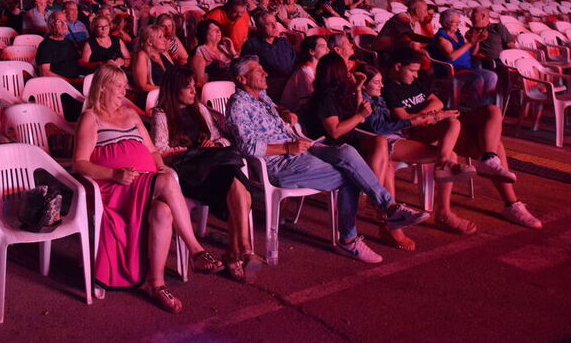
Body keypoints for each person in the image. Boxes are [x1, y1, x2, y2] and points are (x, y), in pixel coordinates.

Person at [223, 56, 428, 264]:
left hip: (300, 148)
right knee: (350, 175)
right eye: (258, 71)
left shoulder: (261, 96)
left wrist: (284, 113)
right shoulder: (238, 105)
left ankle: (389, 209)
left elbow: (273, 111)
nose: (265, 73)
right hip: (280, 163)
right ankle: (351, 239)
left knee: (346, 152)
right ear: (242, 79)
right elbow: (246, 147)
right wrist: (287, 147)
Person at [73, 65, 222, 312]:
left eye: (125, 85)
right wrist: (114, 173)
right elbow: (79, 163)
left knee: (162, 211)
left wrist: (161, 166)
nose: (125, 90)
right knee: (166, 182)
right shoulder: (91, 117)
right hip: (116, 188)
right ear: (103, 87)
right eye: (119, 85)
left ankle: (156, 283)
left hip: (145, 181)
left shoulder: (130, 114)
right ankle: (196, 249)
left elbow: (152, 151)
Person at [381, 47, 541, 229]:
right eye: (412, 71)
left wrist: (430, 114)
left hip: (439, 122)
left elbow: (438, 102)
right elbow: (405, 119)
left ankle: (492, 164)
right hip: (422, 131)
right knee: (461, 127)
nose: (416, 76)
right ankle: (508, 201)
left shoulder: (413, 83)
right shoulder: (390, 88)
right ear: (397, 67)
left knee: (492, 112)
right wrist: (433, 116)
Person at [354, 63, 476, 246]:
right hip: (382, 141)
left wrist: (427, 118)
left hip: (398, 137)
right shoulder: (363, 100)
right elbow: (378, 127)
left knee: (450, 154)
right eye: (377, 82)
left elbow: (434, 103)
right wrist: (419, 120)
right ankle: (391, 225)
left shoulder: (378, 98)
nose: (382, 85)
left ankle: (444, 213)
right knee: (387, 166)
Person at [151, 66, 254, 281]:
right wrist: (191, 150)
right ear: (174, 90)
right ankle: (239, 251)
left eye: (193, 86)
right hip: (188, 173)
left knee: (233, 180)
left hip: (212, 167)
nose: (193, 91)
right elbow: (160, 150)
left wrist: (214, 144)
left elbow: (222, 138)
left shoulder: (200, 109)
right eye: (187, 88)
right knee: (235, 181)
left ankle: (239, 251)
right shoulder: (161, 114)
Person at [429, 8, 498, 107]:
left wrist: (477, 41)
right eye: (455, 22)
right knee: (478, 78)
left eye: (458, 22)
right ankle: (478, 107)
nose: (458, 24)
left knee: (492, 76)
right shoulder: (442, 38)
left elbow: (472, 53)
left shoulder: (458, 34)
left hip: (467, 68)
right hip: (452, 71)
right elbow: (451, 57)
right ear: (446, 23)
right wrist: (470, 43)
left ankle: (486, 105)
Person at [239, 12, 296, 101]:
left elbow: (295, 62)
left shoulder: (284, 42)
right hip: (269, 88)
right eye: (269, 24)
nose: (274, 26)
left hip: (290, 84)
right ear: (260, 27)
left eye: (275, 22)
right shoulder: (252, 45)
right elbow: (250, 72)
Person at [279, 35, 328, 113]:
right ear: (312, 51)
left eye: (327, 46)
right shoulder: (304, 72)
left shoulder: (321, 69)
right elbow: (313, 101)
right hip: (297, 115)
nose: (327, 49)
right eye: (322, 46)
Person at [36, 11, 83, 84]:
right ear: (52, 25)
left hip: (76, 80)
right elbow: (44, 73)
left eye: (65, 21)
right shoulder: (45, 45)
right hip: (58, 86)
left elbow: (81, 63)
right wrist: (70, 81)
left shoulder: (69, 43)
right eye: (59, 22)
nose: (64, 24)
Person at [189, 19, 236, 87]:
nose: (218, 32)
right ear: (205, 33)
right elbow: (199, 81)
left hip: (233, 85)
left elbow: (240, 68)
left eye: (219, 29)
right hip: (215, 89)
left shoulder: (224, 48)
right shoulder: (200, 51)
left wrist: (232, 51)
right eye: (214, 30)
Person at [132, 25, 174, 93]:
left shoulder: (164, 53)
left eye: (163, 36)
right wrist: (166, 90)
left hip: (168, 94)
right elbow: (143, 86)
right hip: (153, 96)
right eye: (160, 37)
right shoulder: (142, 55)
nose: (164, 40)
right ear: (150, 42)